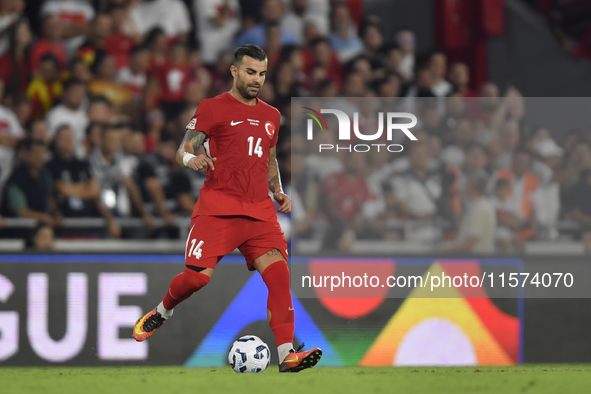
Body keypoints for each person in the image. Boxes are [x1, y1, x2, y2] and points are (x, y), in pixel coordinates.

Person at [133, 44, 322, 373]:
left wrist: (277, 190)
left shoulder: (272, 115)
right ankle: (162, 311)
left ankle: (287, 355)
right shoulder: (212, 108)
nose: (257, 80)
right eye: (250, 72)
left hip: (259, 210)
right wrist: (194, 159)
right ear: (234, 71)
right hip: (218, 208)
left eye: (262, 74)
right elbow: (183, 149)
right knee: (195, 280)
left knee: (279, 277)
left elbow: (270, 157)